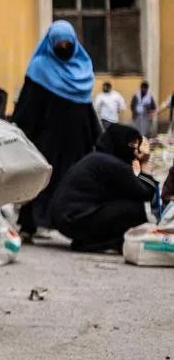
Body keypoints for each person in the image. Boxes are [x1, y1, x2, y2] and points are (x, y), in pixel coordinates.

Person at [11, 20, 100, 241]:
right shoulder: (40, 67)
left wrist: (96, 139)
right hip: (46, 140)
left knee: (72, 184)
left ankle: (72, 227)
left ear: (74, 43)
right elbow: (29, 102)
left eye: (67, 43)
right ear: (50, 44)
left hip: (76, 142)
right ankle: (28, 227)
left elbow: (87, 109)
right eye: (58, 43)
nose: (63, 47)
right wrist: (22, 130)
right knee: (39, 181)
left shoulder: (83, 69)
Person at [50, 124, 158, 253]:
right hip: (74, 220)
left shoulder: (97, 158)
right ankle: (101, 243)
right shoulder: (112, 164)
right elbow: (146, 193)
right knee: (136, 208)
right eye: (132, 144)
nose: (135, 150)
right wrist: (144, 164)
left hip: (67, 220)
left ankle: (90, 240)